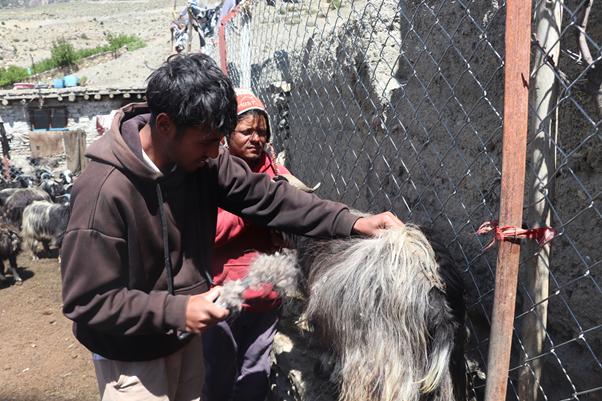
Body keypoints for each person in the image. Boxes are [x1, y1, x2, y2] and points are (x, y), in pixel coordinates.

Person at [60, 52, 403, 401]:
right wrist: (177, 310)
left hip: (185, 341)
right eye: (206, 141)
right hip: (132, 360)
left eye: (218, 141)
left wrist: (352, 221)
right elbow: (86, 301)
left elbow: (270, 198)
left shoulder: (201, 162)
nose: (215, 153)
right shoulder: (104, 190)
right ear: (164, 125)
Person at [202, 88, 292, 401]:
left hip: (267, 299)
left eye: (262, 132)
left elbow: (300, 218)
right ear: (227, 133)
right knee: (217, 377)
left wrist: (287, 236)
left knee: (255, 377)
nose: (256, 139)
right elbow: (205, 234)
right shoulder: (209, 172)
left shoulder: (277, 174)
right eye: (247, 131)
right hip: (223, 296)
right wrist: (252, 214)